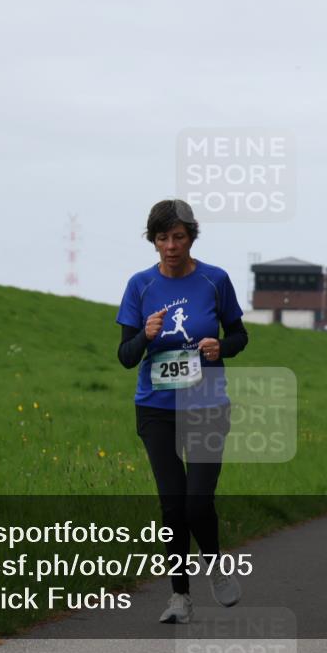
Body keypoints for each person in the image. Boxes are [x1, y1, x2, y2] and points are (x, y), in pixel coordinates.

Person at [116, 199, 248, 623]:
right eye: (161, 238)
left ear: (191, 237)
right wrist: (146, 336)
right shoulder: (140, 285)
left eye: (178, 236)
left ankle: (213, 566)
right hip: (156, 409)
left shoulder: (215, 280)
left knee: (197, 502)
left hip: (206, 403)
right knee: (172, 506)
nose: (170, 246)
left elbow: (240, 335)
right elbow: (124, 355)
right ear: (152, 241)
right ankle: (180, 596)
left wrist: (220, 346)